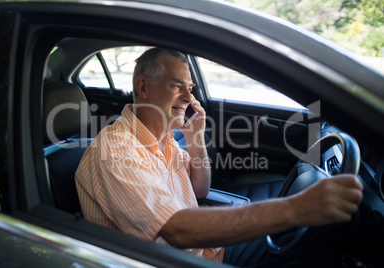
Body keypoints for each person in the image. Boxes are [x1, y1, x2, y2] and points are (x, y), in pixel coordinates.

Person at [75, 47, 363, 266]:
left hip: (202, 249)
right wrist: (296, 209)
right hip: (180, 259)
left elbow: (199, 190)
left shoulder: (161, 139)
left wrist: (195, 137)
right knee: (303, 242)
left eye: (190, 89)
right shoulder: (116, 150)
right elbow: (176, 231)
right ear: (143, 87)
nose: (189, 98)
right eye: (177, 86)